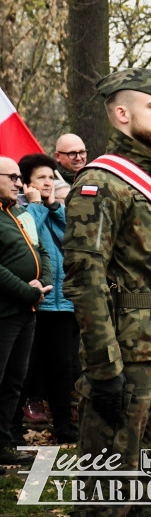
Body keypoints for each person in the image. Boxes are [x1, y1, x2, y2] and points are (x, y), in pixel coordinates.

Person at [63, 69, 151, 511]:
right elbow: (85, 278)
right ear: (122, 114)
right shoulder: (102, 184)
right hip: (126, 358)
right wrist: (104, 367)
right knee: (109, 491)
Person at [18, 153, 78, 443]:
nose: (48, 182)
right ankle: (12, 427)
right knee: (26, 367)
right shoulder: (21, 211)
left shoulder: (57, 211)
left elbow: (74, 237)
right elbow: (28, 237)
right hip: (33, 301)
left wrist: (54, 206)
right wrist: (38, 205)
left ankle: (64, 425)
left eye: (51, 177)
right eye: (41, 177)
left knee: (62, 367)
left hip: (63, 303)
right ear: (26, 183)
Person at [0, 155, 52, 465]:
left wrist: (43, 282)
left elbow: (40, 249)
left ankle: (3, 442)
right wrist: (25, 291)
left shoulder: (20, 212)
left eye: (20, 178)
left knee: (14, 381)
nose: (20, 183)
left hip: (27, 310)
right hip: (5, 311)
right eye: (13, 177)